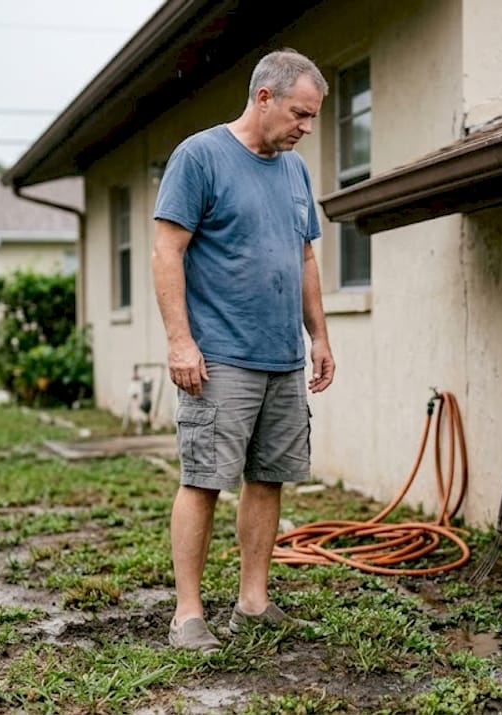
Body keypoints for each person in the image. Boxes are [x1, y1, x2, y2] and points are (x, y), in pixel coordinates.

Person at [151, 49, 334, 652]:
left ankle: (252, 604)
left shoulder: (294, 171)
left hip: (281, 356)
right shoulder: (200, 157)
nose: (306, 128)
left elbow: (304, 256)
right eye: (300, 114)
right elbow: (166, 251)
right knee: (204, 478)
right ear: (263, 98)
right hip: (220, 356)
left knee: (269, 478)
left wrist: (319, 336)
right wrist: (181, 341)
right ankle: (187, 615)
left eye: (312, 117)